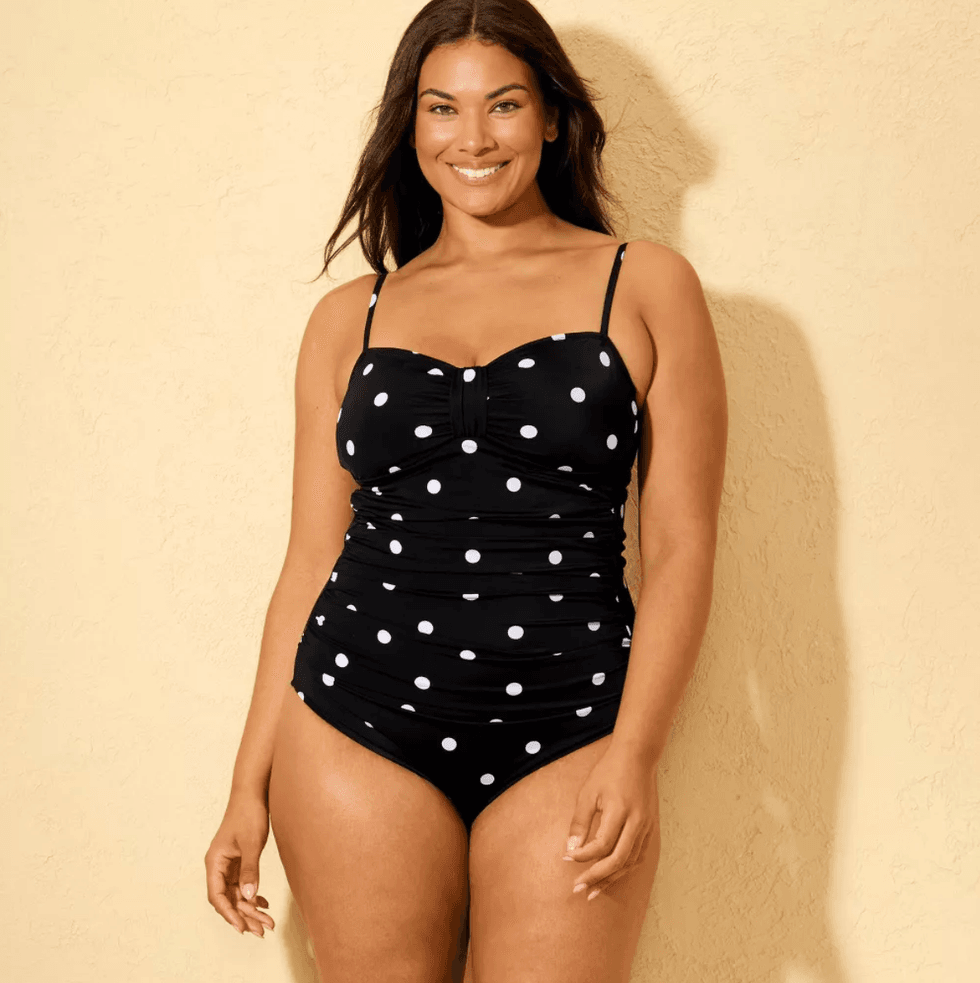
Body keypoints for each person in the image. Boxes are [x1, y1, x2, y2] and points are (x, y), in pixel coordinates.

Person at [205, 1, 727, 980]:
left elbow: (683, 544)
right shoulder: (345, 319)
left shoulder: (644, 284)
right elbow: (308, 564)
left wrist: (636, 753)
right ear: (410, 127)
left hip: (572, 720)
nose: (472, 137)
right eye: (442, 109)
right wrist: (248, 784)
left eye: (504, 105)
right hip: (354, 722)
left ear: (553, 120)